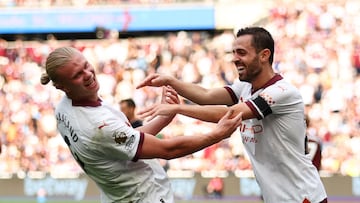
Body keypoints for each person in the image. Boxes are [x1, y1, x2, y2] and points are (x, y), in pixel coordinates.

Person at [136, 27, 328, 203]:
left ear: (264, 55)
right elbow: (206, 95)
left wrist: (178, 109)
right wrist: (171, 81)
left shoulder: (282, 92)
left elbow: (230, 114)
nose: (235, 58)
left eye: (242, 53)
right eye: (234, 52)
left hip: (302, 197)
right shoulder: (245, 87)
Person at [40, 46, 243, 203]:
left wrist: (163, 118)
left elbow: (125, 141)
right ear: (60, 86)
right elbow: (167, 149)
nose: (88, 74)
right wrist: (216, 135)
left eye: (85, 65)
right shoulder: (98, 125)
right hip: (143, 197)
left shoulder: (64, 109)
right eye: (77, 75)